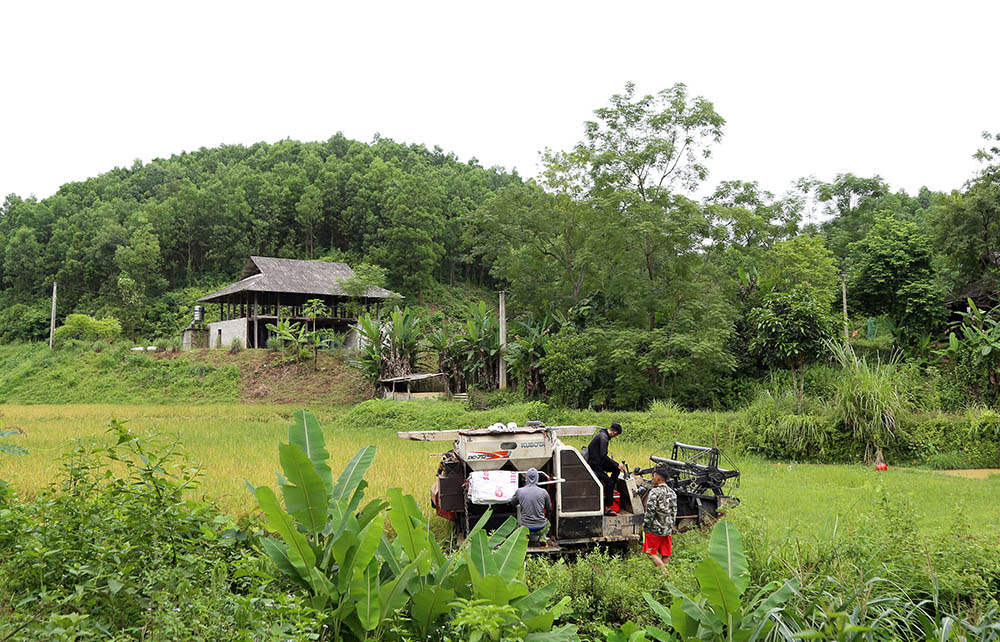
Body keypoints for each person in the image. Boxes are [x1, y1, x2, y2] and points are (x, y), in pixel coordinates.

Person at [642, 465, 677, 574]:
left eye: (654, 476)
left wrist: (646, 526)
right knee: (665, 553)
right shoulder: (672, 492)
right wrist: (671, 526)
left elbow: (650, 511)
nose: (653, 478)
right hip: (668, 528)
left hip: (655, 528)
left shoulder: (655, 492)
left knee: (650, 552)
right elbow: (674, 511)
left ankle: (666, 575)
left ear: (657, 477)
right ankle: (662, 581)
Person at [586, 422, 625, 515]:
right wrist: (616, 464)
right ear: (614, 433)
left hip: (598, 462)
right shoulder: (604, 438)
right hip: (595, 465)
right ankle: (608, 508)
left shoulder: (602, 435)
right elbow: (603, 456)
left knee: (616, 470)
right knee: (610, 482)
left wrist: (616, 466)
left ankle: (610, 489)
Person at [512, 468, 551, 544]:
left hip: (525, 527)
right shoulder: (543, 492)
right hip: (541, 527)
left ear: (526, 478)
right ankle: (542, 537)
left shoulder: (520, 491)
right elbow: (549, 507)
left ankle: (524, 536)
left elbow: (512, 503)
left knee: (516, 523)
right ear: (537, 478)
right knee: (548, 523)